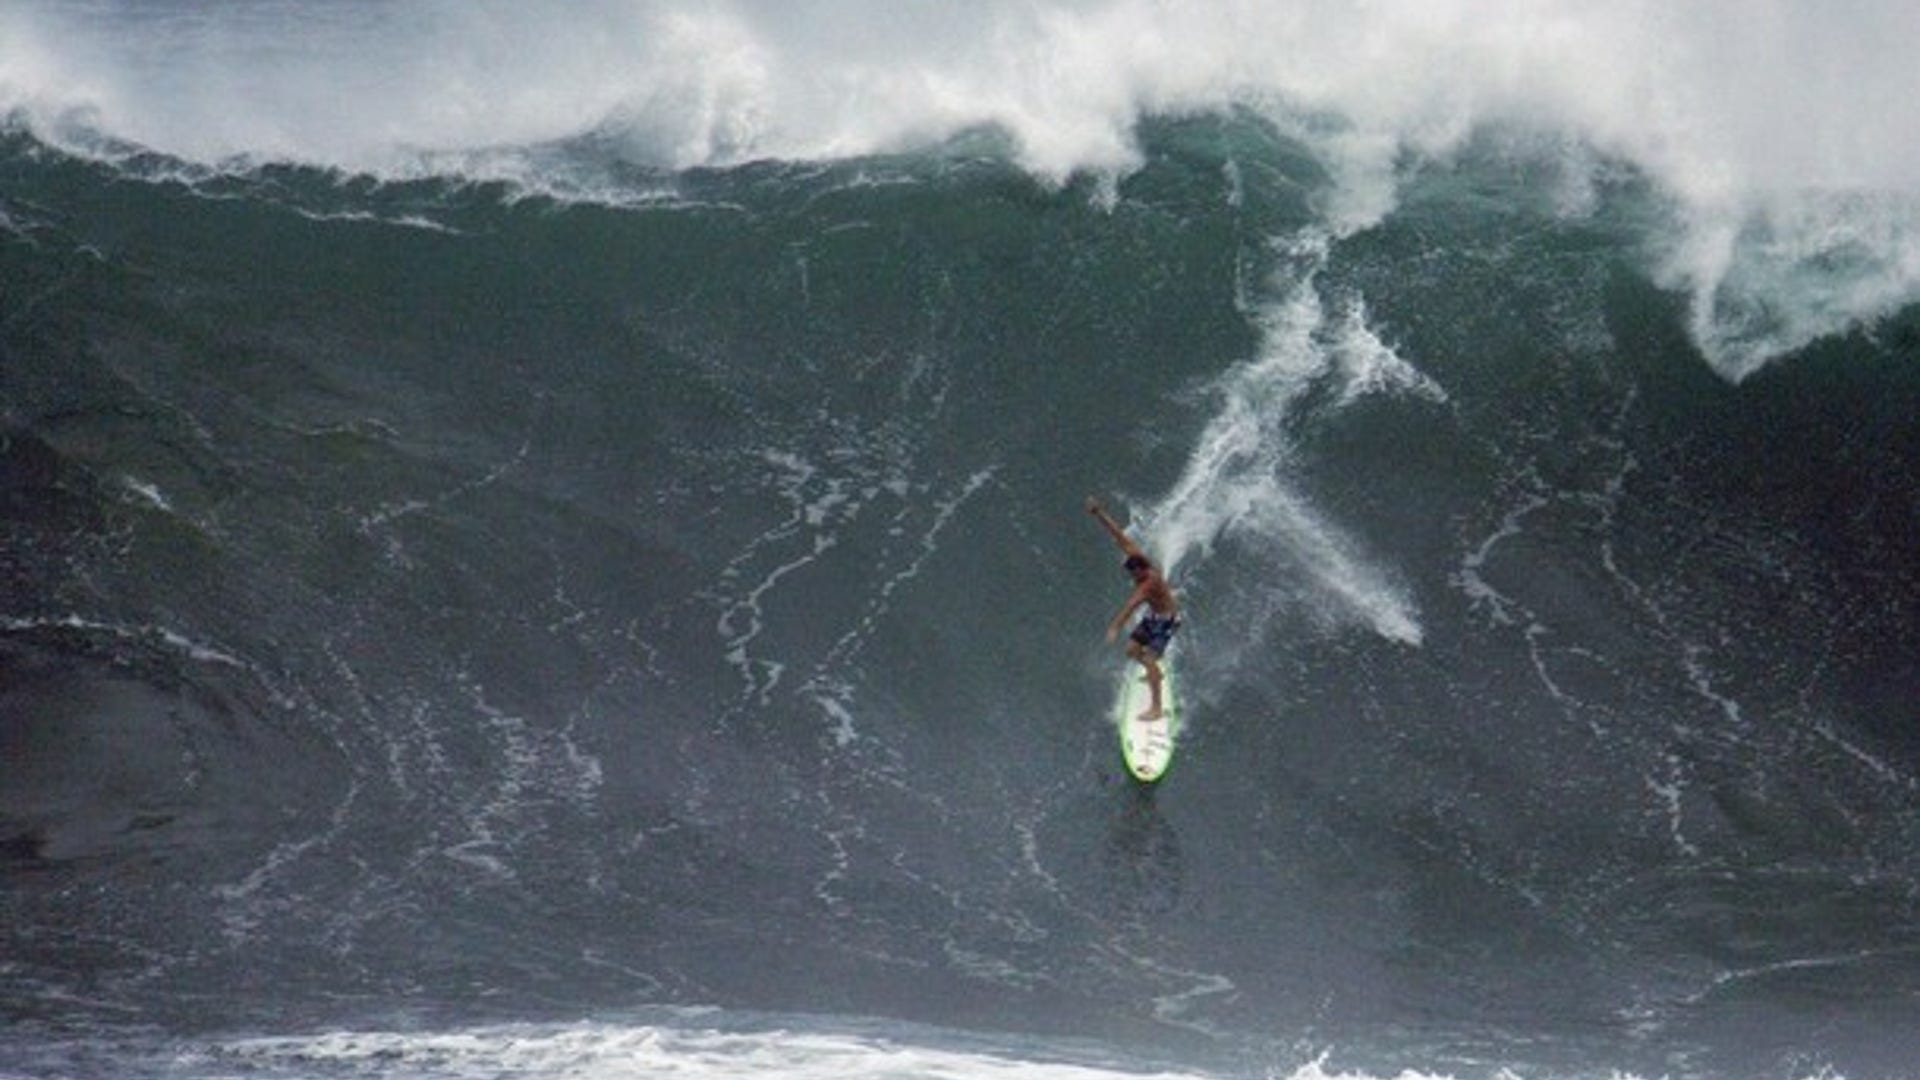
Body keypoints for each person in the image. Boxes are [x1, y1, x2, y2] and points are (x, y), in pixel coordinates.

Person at [1086, 496, 1181, 721]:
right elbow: (1119, 536)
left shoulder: (1149, 584)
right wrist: (1099, 513)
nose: (1132, 577)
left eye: (1133, 574)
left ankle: (1156, 708)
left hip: (1167, 621)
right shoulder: (1137, 558)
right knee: (1131, 650)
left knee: (1148, 659)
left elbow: (1131, 605)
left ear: (1141, 571)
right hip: (1153, 615)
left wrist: (1114, 627)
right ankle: (1154, 674)